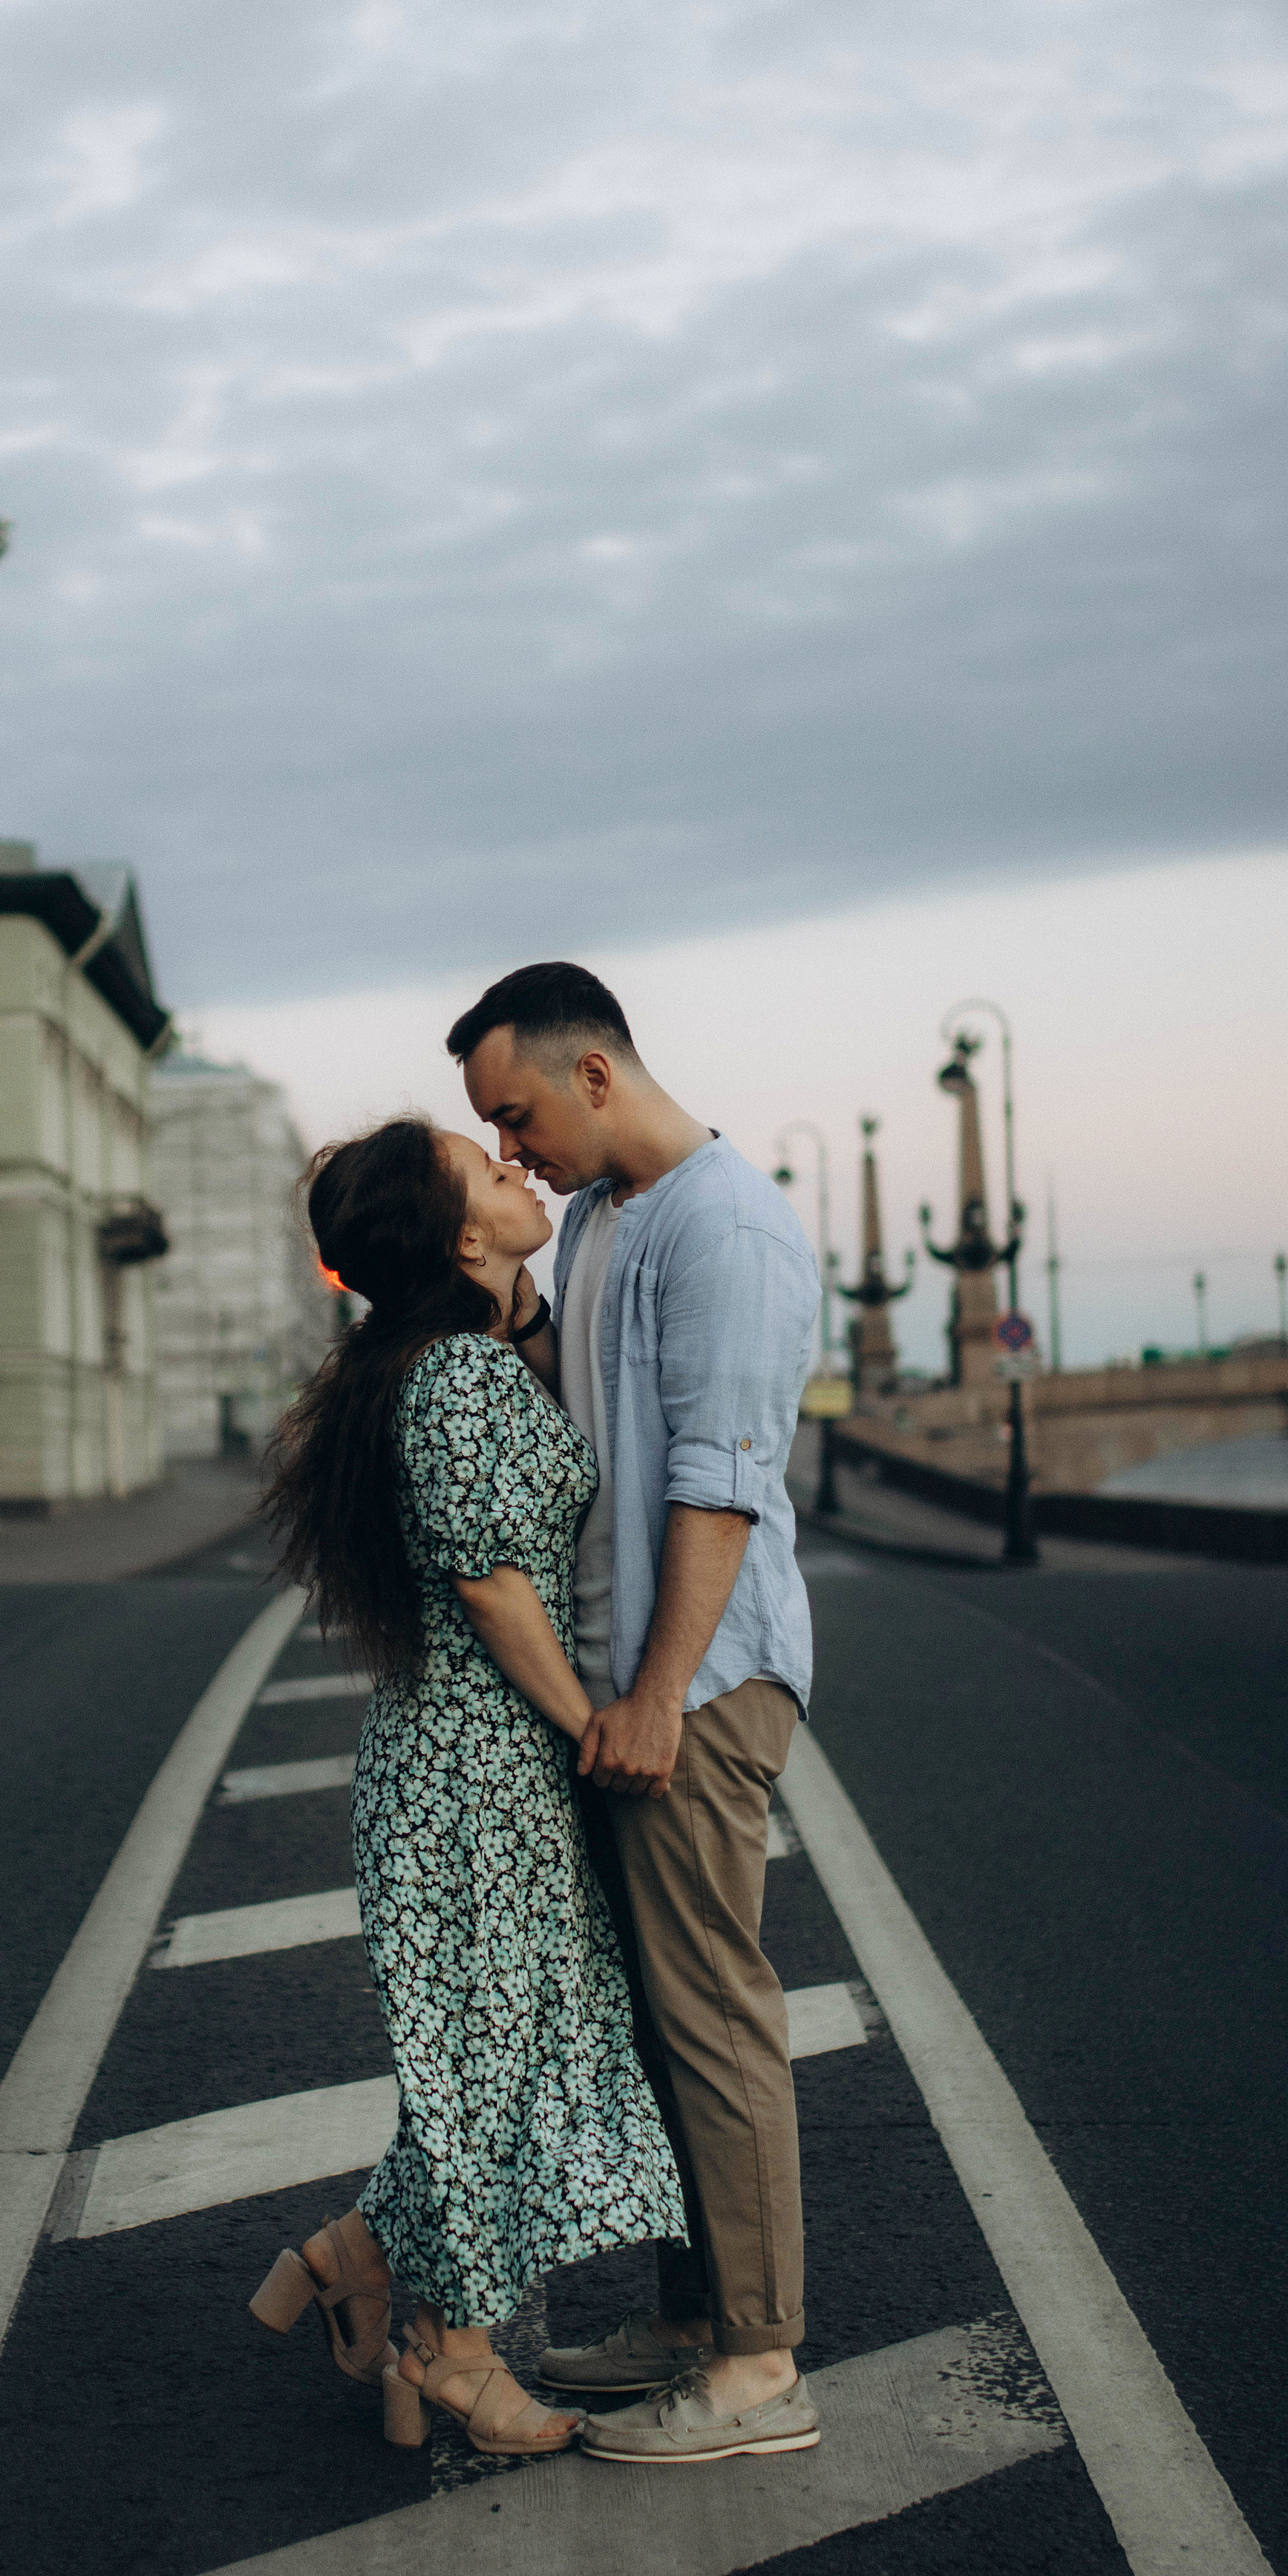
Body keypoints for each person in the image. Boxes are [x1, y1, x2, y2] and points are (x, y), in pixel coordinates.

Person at [251, 1116, 684, 2456]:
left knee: (489, 2062)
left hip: (475, 1773)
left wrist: (520, 1290)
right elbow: (491, 1581)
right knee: (486, 2069)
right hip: (472, 1778)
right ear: (455, 1235)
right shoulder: (453, 1382)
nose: (521, 1170)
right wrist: (596, 1723)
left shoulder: (458, 1357)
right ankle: (452, 2353)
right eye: (489, 1171)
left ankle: (359, 2266)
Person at [445, 960, 825, 2467]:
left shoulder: (722, 1226)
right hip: (621, 1684)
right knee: (660, 2020)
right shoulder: (605, 1218)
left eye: (514, 1113)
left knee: (712, 2011)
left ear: (590, 1070)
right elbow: (588, 1413)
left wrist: (660, 1693)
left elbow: (715, 1482)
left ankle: (756, 2366)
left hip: (702, 1680)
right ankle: (691, 2315)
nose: (507, 1149)